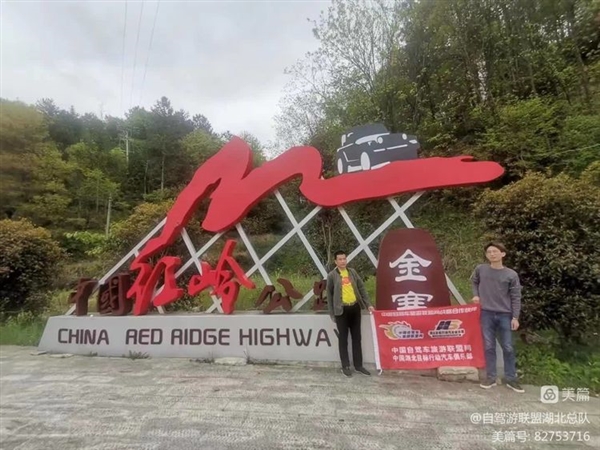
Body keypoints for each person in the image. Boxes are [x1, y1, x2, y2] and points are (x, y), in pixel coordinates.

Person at [471, 242, 524, 393]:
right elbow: (474, 281)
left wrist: (515, 317)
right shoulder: (481, 269)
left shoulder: (511, 274)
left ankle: (511, 378)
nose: (492, 254)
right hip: (486, 313)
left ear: (503, 254)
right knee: (489, 346)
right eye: (489, 252)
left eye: (495, 251)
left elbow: (516, 296)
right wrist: (476, 295)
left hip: (505, 315)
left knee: (508, 347)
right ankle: (491, 377)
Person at [326, 250, 375, 377]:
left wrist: (368, 304)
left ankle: (358, 365)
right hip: (341, 310)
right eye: (340, 259)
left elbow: (361, 288)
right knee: (343, 339)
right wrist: (332, 314)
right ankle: (345, 366)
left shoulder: (352, 272)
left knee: (357, 338)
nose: (343, 261)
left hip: (354, 308)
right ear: (335, 261)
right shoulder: (332, 276)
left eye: (344, 259)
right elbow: (329, 295)